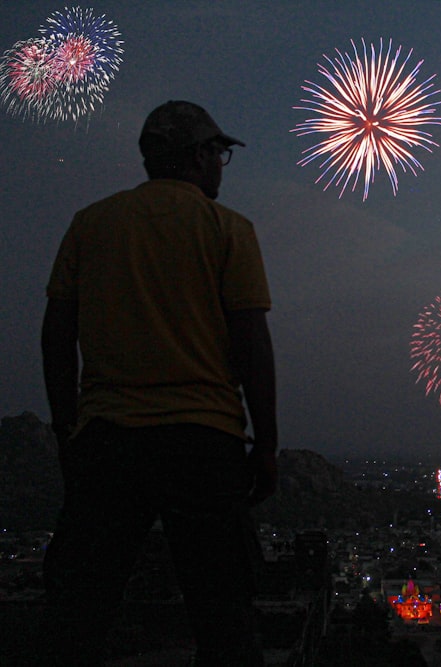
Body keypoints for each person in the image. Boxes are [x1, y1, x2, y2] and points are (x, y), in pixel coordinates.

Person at [40, 100, 277, 666]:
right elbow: (251, 347)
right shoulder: (228, 230)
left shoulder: (91, 224)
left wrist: (66, 429)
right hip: (203, 441)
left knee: (79, 614)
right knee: (224, 619)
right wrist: (265, 445)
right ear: (198, 157)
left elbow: (56, 336)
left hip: (108, 440)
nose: (222, 164)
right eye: (219, 152)